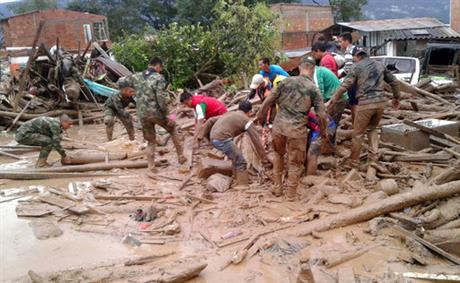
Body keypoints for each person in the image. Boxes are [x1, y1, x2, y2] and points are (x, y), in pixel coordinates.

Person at [257, 56, 328, 201]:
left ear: (299, 67)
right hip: (296, 131)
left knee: (278, 155)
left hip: (279, 127)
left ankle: (277, 188)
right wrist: (323, 132)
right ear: (313, 69)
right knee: (295, 163)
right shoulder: (313, 89)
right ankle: (290, 195)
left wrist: (261, 118)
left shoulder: (285, 82)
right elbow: (321, 115)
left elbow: (268, 101)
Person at [328, 47, 401, 180]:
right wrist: (396, 97)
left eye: (353, 57)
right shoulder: (380, 65)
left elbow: (345, 85)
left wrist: (332, 100)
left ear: (357, 56)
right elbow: (394, 81)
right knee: (373, 129)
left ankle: (353, 163)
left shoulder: (357, 67)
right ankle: (373, 159)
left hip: (366, 104)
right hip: (380, 103)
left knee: (358, 134)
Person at [125, 57, 187, 174]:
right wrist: (168, 115)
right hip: (156, 112)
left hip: (142, 114)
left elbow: (124, 84)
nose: (160, 70)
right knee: (173, 129)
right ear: (158, 66)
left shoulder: (135, 76)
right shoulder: (159, 77)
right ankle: (181, 157)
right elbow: (161, 99)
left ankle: (151, 167)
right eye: (160, 68)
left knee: (151, 141)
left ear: (149, 65)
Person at [199, 101, 260, 186]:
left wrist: (202, 136)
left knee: (235, 157)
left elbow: (210, 120)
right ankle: (243, 185)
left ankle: (236, 179)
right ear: (249, 112)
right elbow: (256, 140)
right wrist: (264, 158)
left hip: (215, 138)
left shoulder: (229, 114)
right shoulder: (246, 120)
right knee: (240, 160)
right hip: (222, 139)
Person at [338, 32, 358, 122]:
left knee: (354, 104)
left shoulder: (349, 52)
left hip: (354, 82)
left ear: (346, 41)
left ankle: (356, 125)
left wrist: (339, 76)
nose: (340, 44)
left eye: (341, 41)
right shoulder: (357, 49)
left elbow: (348, 70)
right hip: (361, 80)